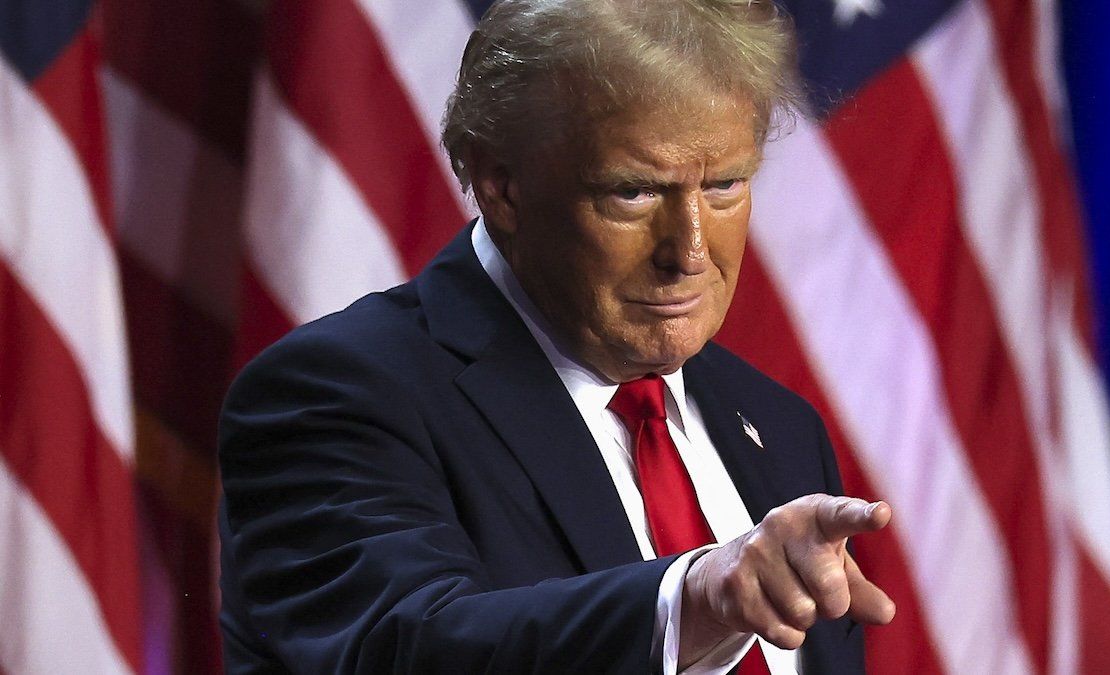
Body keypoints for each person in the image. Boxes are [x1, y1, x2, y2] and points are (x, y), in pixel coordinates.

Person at [217, 0, 896, 672]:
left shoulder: (780, 426)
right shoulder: (335, 392)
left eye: (723, 184)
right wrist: (692, 601)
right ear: (501, 187)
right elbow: (407, 647)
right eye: (632, 192)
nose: (689, 250)